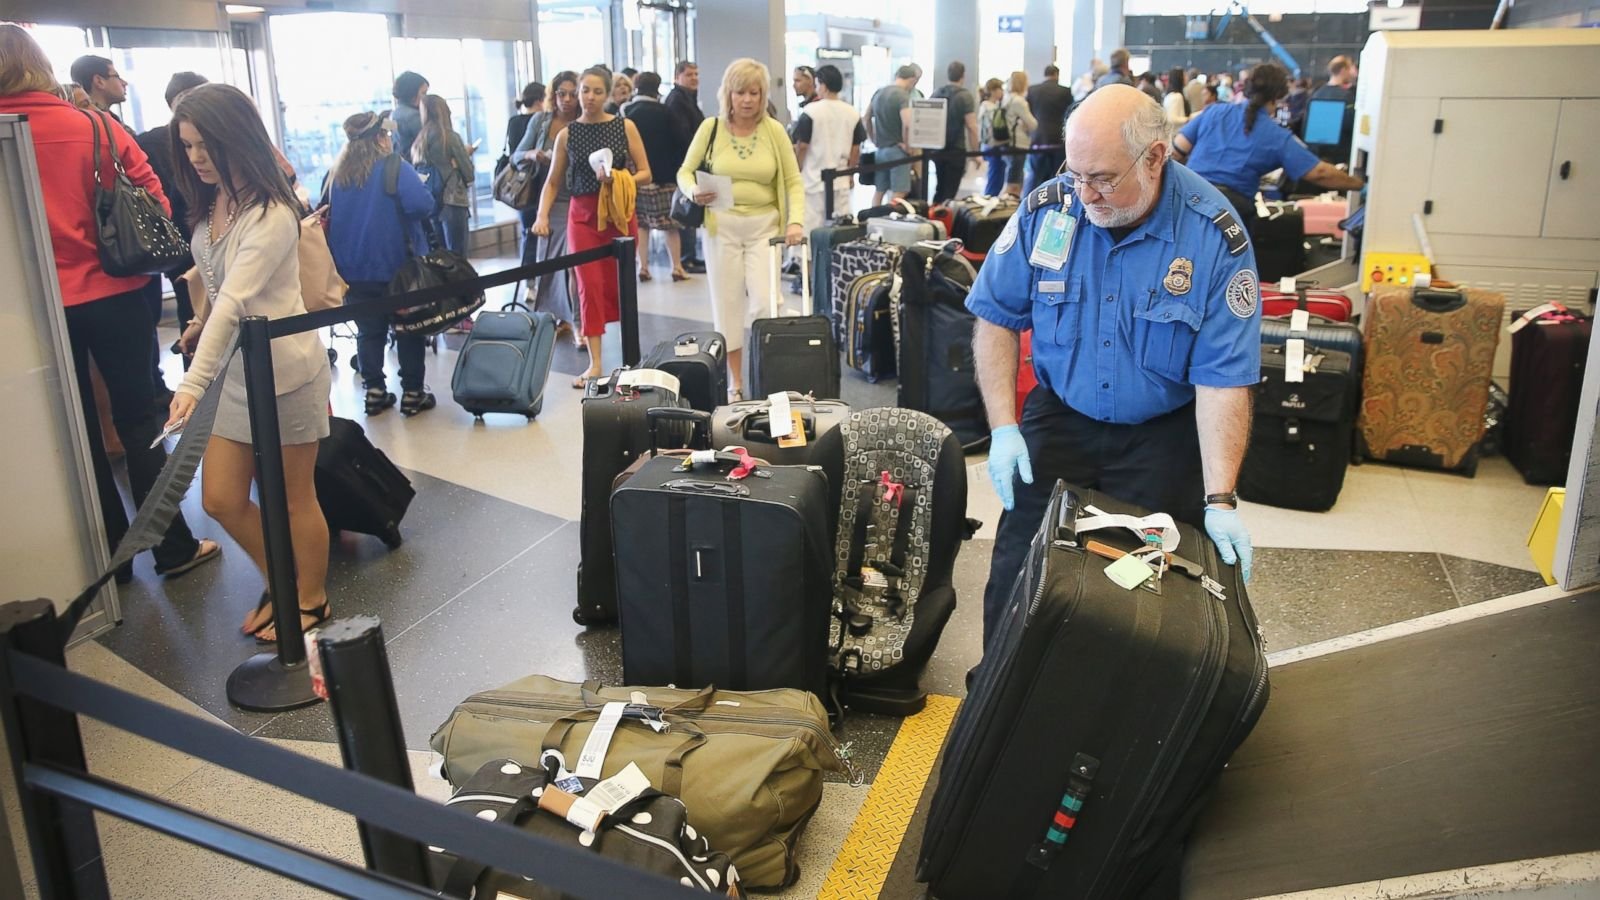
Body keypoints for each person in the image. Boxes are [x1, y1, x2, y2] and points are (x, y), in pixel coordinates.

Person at [968, 84, 1259, 649]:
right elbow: (995, 314)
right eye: (1075, 174)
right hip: (1060, 417)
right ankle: (996, 704)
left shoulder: (1212, 235)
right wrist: (1004, 428)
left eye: (1101, 178)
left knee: (1143, 596)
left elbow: (1224, 378)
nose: (1084, 194)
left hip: (1160, 433)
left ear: (1156, 158)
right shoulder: (1050, 208)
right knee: (1016, 574)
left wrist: (1220, 500)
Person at [0, 24, 221, 586]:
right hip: (117, 292)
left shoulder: (7, 135)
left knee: (69, 429)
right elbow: (155, 196)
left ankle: (101, 560)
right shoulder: (95, 126)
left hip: (30, 308)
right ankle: (169, 547)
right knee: (139, 415)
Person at [163, 83, 331, 642]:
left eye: (206, 144)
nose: (197, 158)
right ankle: (281, 582)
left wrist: (191, 381)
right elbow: (219, 282)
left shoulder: (272, 210)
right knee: (222, 498)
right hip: (235, 373)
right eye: (187, 147)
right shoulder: (216, 199)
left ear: (236, 136)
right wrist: (196, 322)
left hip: (285, 372)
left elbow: (238, 299)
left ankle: (309, 598)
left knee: (291, 496)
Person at [678, 57, 804, 401]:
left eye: (754, 92)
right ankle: (735, 384)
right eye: (740, 92)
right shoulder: (711, 128)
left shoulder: (774, 131)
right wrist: (692, 191)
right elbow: (684, 172)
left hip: (765, 227)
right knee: (727, 306)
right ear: (728, 94)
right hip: (723, 227)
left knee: (765, 304)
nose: (747, 100)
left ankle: (768, 378)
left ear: (763, 95)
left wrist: (795, 221)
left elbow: (793, 180)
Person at [532, 66, 651, 387]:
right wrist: (542, 216)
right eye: (585, 90)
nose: (589, 97)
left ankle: (629, 358)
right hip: (582, 217)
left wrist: (619, 178)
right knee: (588, 287)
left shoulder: (625, 127)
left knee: (619, 286)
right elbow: (553, 182)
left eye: (597, 91)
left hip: (618, 214)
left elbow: (645, 173)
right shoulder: (567, 134)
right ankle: (595, 363)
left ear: (609, 94)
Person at [323, 110, 438, 416]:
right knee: (408, 329)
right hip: (398, 267)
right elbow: (422, 205)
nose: (389, 138)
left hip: (352, 271)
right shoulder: (393, 166)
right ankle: (412, 393)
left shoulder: (335, 174)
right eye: (386, 134)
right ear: (378, 138)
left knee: (369, 330)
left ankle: (375, 391)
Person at [1173, 62, 1363, 235]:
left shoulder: (1213, 112)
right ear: (1278, 97)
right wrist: (1360, 185)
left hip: (1188, 201)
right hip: (1230, 212)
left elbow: (1176, 151)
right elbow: (1320, 173)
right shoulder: (1277, 136)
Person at [136, 71, 210, 375]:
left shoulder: (149, 141)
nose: (196, 157)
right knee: (195, 315)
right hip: (185, 241)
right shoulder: (152, 142)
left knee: (192, 314)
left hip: (183, 243)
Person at [515, 71, 583, 341]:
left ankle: (579, 321)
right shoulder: (541, 122)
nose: (566, 99)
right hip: (548, 196)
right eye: (561, 93)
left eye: (572, 93)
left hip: (578, 198)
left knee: (576, 264)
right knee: (550, 260)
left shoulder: (584, 123)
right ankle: (557, 316)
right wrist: (534, 154)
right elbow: (516, 155)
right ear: (553, 95)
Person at [625, 71, 691, 283]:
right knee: (670, 225)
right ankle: (677, 267)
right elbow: (680, 141)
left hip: (637, 177)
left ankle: (642, 267)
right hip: (664, 177)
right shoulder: (665, 111)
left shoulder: (627, 112)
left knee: (642, 224)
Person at [792, 64, 865, 235]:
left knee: (811, 230)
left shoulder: (810, 111)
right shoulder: (852, 112)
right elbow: (856, 148)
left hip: (813, 179)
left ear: (822, 85)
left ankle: (810, 261)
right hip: (840, 179)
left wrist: (797, 169)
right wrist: (850, 173)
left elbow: (802, 146)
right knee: (839, 230)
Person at [411, 94, 475, 256]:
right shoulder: (449, 137)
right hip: (453, 199)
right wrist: (457, 164)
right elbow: (469, 173)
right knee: (458, 253)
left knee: (442, 254)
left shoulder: (420, 140)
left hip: (432, 200)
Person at [664, 61, 707, 274]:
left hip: (690, 160)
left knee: (691, 205)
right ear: (677, 77)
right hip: (683, 162)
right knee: (685, 206)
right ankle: (686, 256)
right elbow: (682, 134)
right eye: (689, 74)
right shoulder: (676, 100)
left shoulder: (688, 99)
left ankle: (689, 254)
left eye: (696, 74)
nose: (694, 78)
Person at [864, 64, 920, 206]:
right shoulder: (902, 96)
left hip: (880, 150)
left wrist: (873, 139)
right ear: (912, 80)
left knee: (879, 190)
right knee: (899, 192)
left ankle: (873, 217)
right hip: (897, 151)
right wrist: (908, 145)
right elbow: (907, 123)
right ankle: (889, 218)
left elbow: (866, 118)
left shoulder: (879, 93)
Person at [928, 61, 978, 205]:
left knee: (940, 188)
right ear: (963, 75)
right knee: (950, 191)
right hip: (956, 149)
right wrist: (976, 152)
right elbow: (972, 126)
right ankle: (944, 221)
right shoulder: (965, 96)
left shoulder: (937, 93)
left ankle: (934, 217)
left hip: (938, 149)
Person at [1023, 63, 1074, 195]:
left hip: (1038, 138)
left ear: (1045, 75)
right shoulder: (1065, 91)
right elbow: (1070, 114)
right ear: (1057, 75)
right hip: (1058, 139)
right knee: (1057, 177)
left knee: (1034, 176)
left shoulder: (1032, 90)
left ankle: (1030, 203)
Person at [1305, 55, 1358, 163]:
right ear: (1343, 70)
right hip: (1339, 157)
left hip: (1316, 156)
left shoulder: (1316, 95)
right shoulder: (1345, 97)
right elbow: (1351, 124)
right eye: (1350, 69)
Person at [996, 71, 1036, 199]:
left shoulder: (1006, 98)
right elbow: (1033, 124)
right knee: (1014, 186)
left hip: (1005, 143)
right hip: (1018, 145)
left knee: (1009, 180)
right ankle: (1007, 212)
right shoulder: (1019, 101)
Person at [977, 78, 1010, 197]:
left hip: (990, 145)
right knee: (994, 179)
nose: (1002, 92)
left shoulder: (989, 106)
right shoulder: (989, 107)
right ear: (994, 90)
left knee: (996, 177)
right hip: (993, 145)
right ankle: (989, 200)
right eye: (1000, 89)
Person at [390, 71, 428, 158]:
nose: (426, 98)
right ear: (412, 93)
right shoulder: (414, 117)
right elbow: (430, 146)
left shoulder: (393, 114)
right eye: (423, 93)